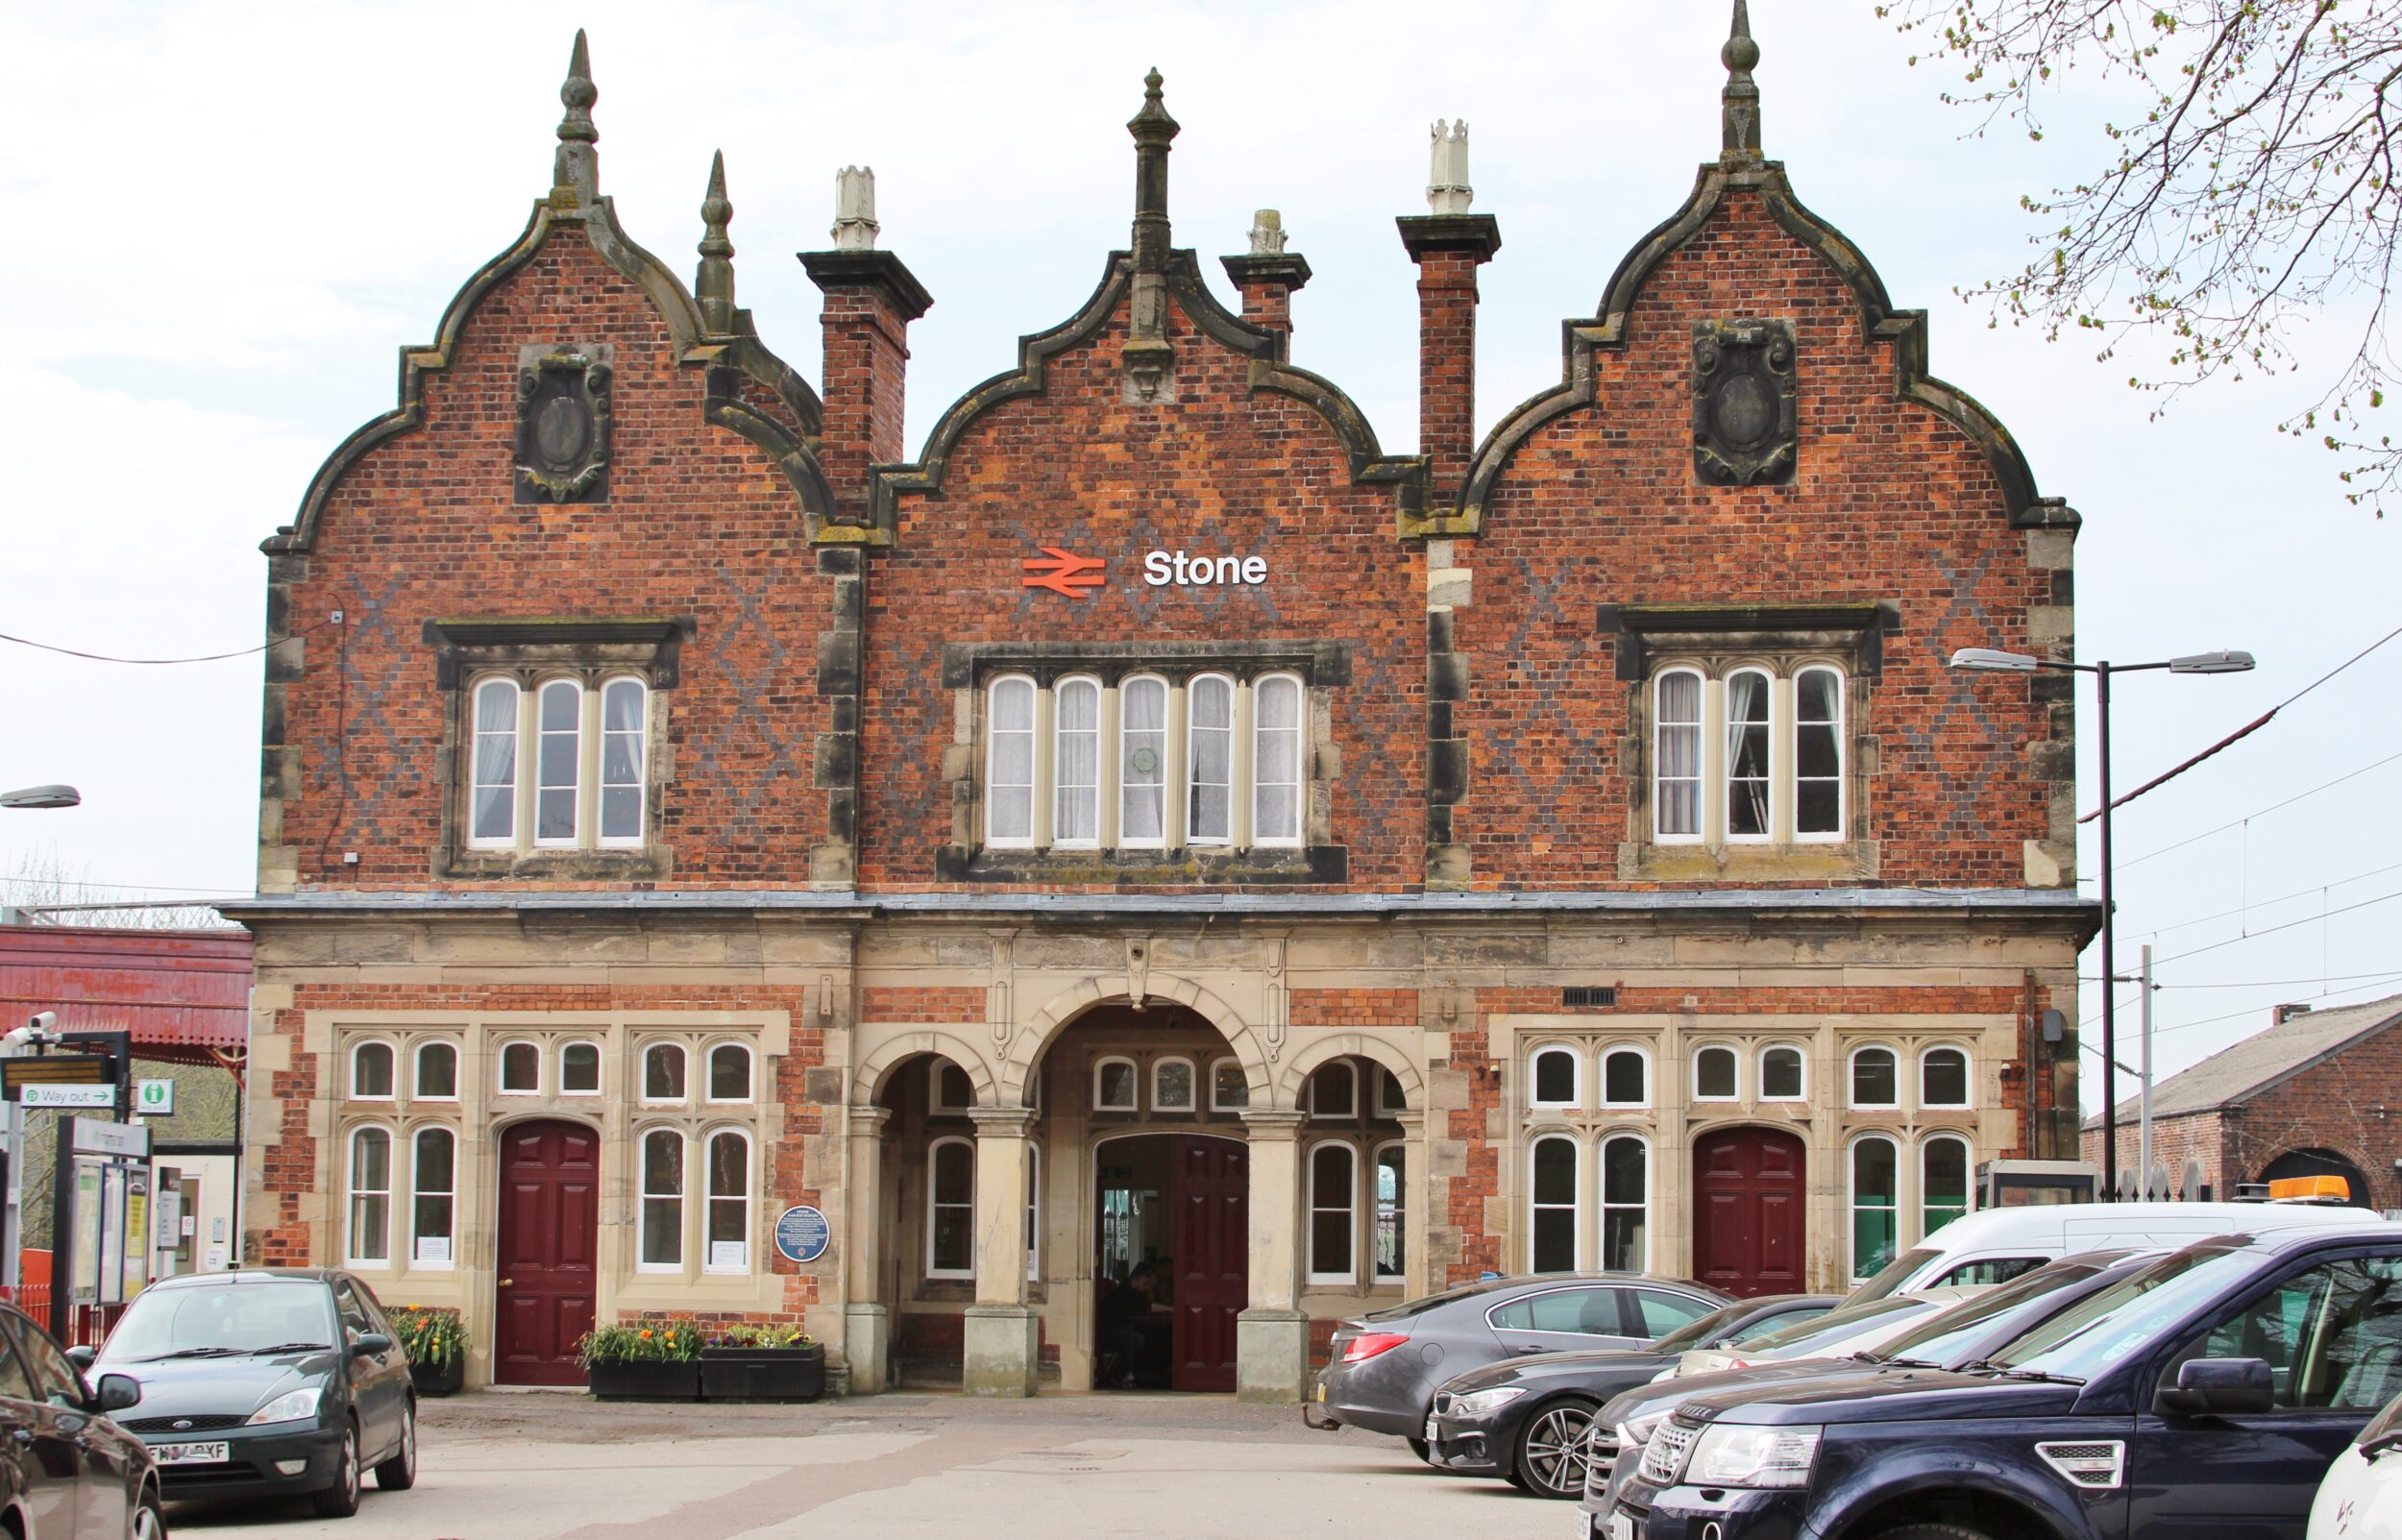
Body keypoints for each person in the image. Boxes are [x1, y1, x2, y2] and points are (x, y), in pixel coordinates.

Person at [1098, 1262, 1161, 1388]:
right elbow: (1148, 1307)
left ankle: (1139, 1371)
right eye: (1146, 1284)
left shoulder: (1135, 1293)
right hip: (1106, 1331)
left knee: (1150, 1335)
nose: (1147, 1287)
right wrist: (1172, 1309)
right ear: (1137, 1279)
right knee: (1136, 1339)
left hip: (1118, 1329)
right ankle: (1119, 1375)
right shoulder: (1125, 1292)